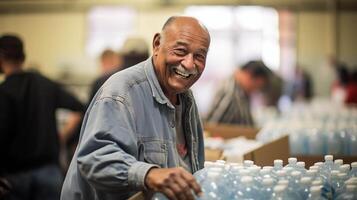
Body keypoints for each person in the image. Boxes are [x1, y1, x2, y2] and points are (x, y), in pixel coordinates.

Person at [61, 16, 210, 200]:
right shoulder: (122, 91)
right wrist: (149, 174)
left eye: (199, 56)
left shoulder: (186, 98)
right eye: (180, 51)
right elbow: (94, 158)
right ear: (157, 44)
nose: (189, 64)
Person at [0, 34, 85, 200]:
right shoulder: (44, 84)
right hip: (48, 172)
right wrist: (64, 135)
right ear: (22, 56)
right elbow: (80, 107)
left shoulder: (3, 91)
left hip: (14, 176)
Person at [205, 60, 271, 126]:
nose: (255, 91)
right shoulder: (230, 94)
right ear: (248, 75)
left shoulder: (241, 90)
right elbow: (213, 126)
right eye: (255, 86)